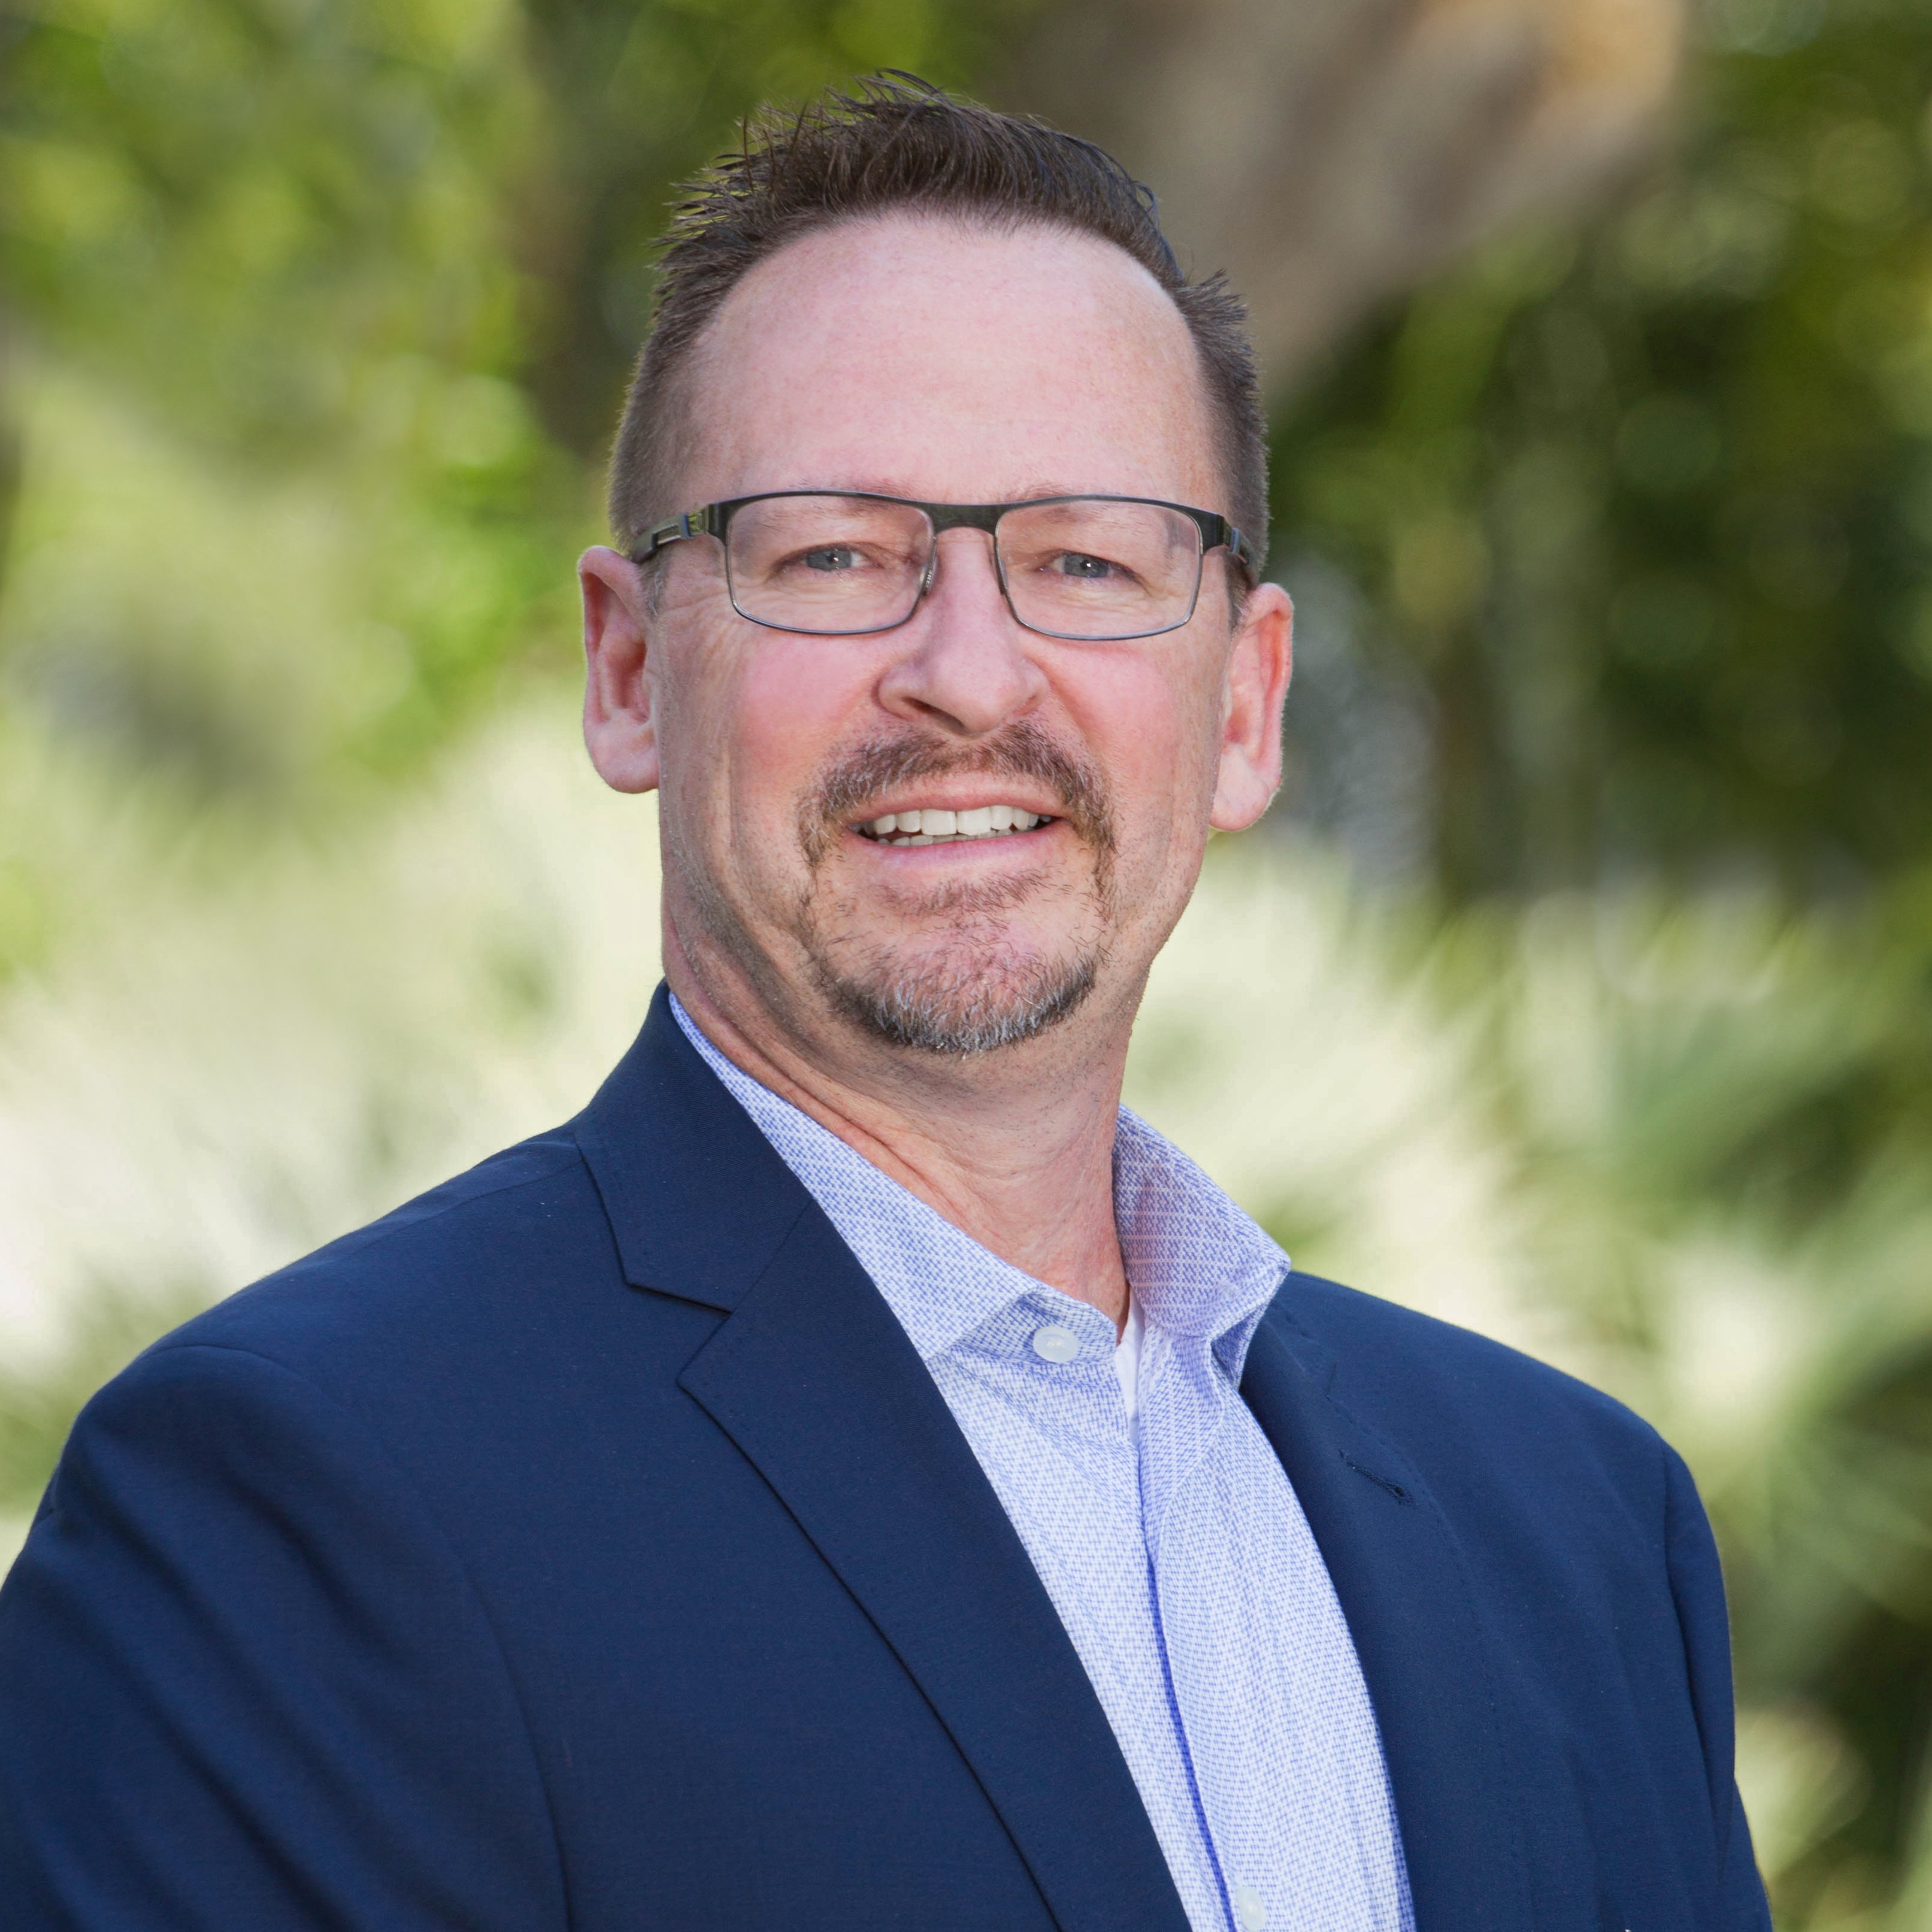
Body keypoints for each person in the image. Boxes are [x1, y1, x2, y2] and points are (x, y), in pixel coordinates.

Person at [0, 77, 1769, 1932]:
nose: (965, 670)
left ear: (1243, 706)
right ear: (625, 670)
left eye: (1088, 560)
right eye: (832, 553)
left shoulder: (1573, 1526)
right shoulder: (290, 1503)